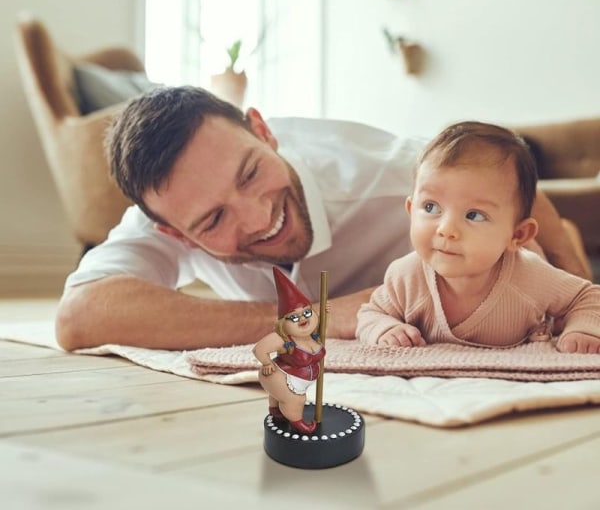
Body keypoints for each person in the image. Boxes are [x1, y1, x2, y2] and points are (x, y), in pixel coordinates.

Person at [56, 86, 592, 351]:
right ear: (175, 233)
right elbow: (78, 317)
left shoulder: (388, 174)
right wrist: (310, 318)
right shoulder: (167, 211)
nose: (260, 215)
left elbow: (511, 190)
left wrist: (575, 282)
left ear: (263, 131)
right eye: (215, 219)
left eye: (250, 173)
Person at [356, 121, 600, 353]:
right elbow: (370, 314)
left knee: (555, 292)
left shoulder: (532, 277)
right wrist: (384, 328)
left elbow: (587, 296)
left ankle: (564, 235)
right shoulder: (406, 276)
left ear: (518, 234)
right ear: (411, 211)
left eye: (474, 215)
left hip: (528, 256)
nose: (446, 229)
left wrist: (582, 330)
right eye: (431, 207)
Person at [252, 267, 325, 434]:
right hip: (285, 378)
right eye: (293, 317)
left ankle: (275, 409)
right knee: (295, 399)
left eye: (307, 312)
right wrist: (266, 362)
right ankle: (296, 421)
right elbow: (259, 349)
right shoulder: (284, 339)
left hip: (299, 380)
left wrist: (325, 311)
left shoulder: (313, 337)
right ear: (283, 324)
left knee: (282, 396)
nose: (302, 319)